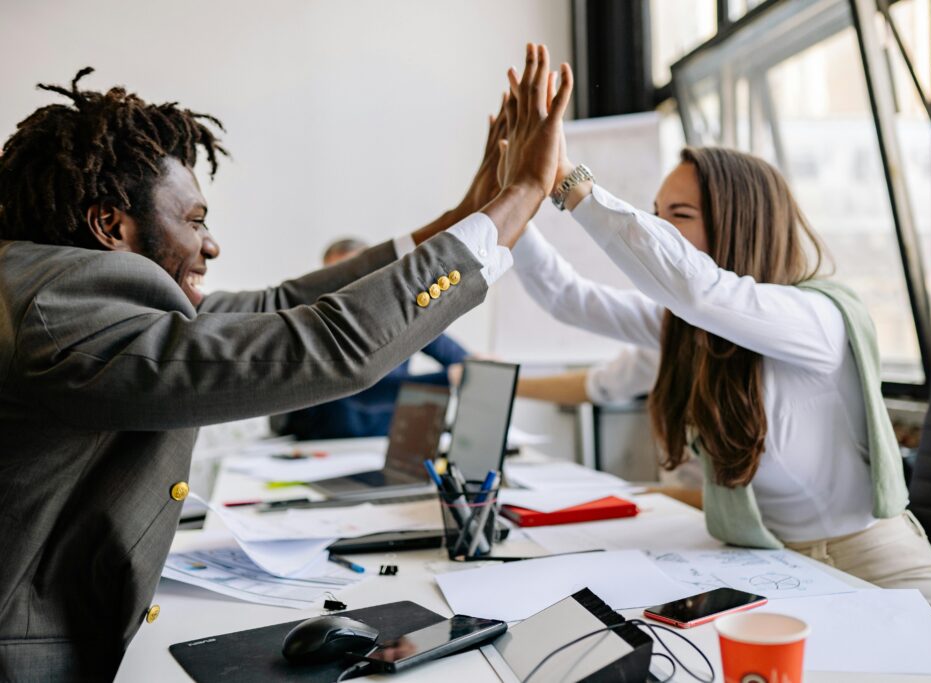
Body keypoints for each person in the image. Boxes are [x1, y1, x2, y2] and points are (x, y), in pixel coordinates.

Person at [0, 44, 572, 681]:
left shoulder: (50, 284)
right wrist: (522, 193)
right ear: (111, 224)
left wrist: (464, 219)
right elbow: (326, 346)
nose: (210, 243)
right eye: (194, 220)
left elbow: (278, 304)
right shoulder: (59, 310)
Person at [502, 108, 931, 603]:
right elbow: (568, 298)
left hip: (877, 564)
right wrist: (512, 202)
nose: (661, 231)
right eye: (657, 214)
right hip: (775, 563)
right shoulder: (685, 326)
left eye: (681, 215)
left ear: (741, 225)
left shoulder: (814, 318)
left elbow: (699, 289)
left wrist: (571, 182)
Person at [273, 237, 469, 439]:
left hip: (380, 441)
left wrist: (475, 367)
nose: (344, 288)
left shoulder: (401, 314)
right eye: (334, 278)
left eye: (352, 276)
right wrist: (447, 378)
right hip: (324, 442)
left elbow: (457, 356)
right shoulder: (318, 325)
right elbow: (366, 388)